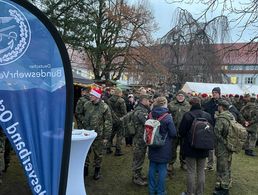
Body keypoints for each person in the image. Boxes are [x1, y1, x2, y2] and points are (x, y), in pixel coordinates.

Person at [179, 97, 213, 195]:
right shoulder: (207, 115)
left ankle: (190, 193)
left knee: (191, 171)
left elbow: (181, 132)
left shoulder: (187, 115)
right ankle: (200, 192)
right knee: (201, 171)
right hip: (204, 146)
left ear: (190, 104)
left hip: (190, 147)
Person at [148, 96, 177, 195]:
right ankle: (160, 191)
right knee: (162, 169)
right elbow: (173, 133)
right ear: (165, 103)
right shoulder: (167, 117)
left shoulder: (151, 114)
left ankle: (151, 190)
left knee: (152, 167)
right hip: (163, 146)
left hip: (151, 143)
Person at [82, 87, 112, 180]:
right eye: (90, 94)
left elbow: (108, 122)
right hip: (86, 134)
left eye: (92, 95)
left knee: (98, 154)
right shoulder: (87, 104)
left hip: (98, 135)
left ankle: (97, 172)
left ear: (97, 96)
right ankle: (85, 170)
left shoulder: (104, 107)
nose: (90, 96)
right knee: (85, 152)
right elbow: (82, 115)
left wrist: (106, 137)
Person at [213, 100, 235, 195]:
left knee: (222, 166)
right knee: (227, 164)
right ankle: (220, 184)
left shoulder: (221, 118)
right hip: (230, 143)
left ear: (221, 107)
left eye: (219, 106)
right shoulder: (231, 116)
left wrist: (224, 142)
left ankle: (224, 189)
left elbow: (217, 132)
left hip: (223, 145)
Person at [168, 90, 190, 172]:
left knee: (183, 148)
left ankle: (183, 162)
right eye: (179, 95)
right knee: (172, 148)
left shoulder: (188, 105)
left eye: (182, 96)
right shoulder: (171, 105)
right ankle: (170, 163)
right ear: (176, 96)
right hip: (173, 130)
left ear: (184, 97)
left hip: (184, 131)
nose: (180, 97)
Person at [132, 94, 151, 186]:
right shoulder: (141, 111)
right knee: (138, 158)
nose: (149, 102)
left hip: (140, 137)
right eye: (148, 100)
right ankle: (136, 177)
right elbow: (146, 122)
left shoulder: (141, 109)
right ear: (143, 100)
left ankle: (138, 174)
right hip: (139, 138)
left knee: (140, 157)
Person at [202, 87, 221, 170]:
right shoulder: (208, 102)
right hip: (210, 126)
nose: (214, 94)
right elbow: (204, 112)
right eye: (213, 92)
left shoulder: (223, 102)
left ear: (219, 93)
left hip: (220, 127)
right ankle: (210, 164)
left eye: (216, 92)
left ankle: (219, 165)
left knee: (219, 147)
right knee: (210, 146)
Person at [106, 87, 127, 156]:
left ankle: (108, 148)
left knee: (111, 134)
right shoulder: (121, 101)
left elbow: (109, 111)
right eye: (121, 92)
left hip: (112, 119)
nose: (121, 94)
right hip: (120, 120)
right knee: (120, 135)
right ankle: (118, 150)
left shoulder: (109, 100)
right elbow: (124, 112)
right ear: (119, 93)